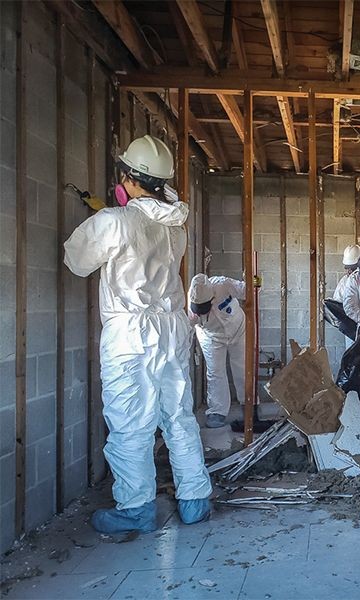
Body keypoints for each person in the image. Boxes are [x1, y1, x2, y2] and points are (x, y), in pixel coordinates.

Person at [64, 135, 212, 533]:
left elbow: (76, 261)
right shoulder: (175, 227)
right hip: (172, 327)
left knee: (131, 422)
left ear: (129, 176)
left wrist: (106, 217)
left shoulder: (114, 221)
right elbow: (151, 224)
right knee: (179, 417)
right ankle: (195, 499)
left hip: (131, 332)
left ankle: (135, 509)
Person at [188, 274, 247, 429]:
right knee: (215, 372)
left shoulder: (223, 284)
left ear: (212, 297)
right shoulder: (191, 306)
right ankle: (217, 411)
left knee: (242, 368)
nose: (202, 313)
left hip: (238, 330)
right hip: (211, 337)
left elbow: (247, 291)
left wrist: (255, 281)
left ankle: (249, 405)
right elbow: (186, 331)